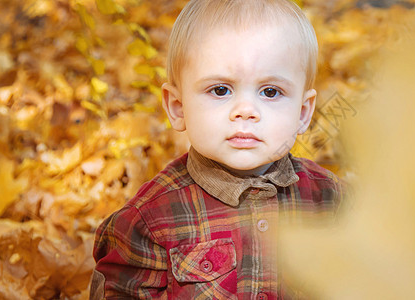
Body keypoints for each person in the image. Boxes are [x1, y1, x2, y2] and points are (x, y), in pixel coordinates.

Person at [90, 0, 343, 298]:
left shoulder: (330, 201)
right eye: (220, 90)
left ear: (302, 112)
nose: (246, 110)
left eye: (270, 92)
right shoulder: (150, 221)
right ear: (178, 107)